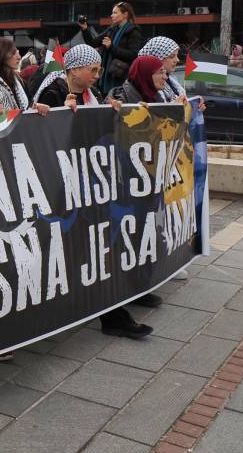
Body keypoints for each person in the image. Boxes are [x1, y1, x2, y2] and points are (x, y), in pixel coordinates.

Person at [32, 44, 155, 339]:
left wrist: (111, 115)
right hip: (61, 189)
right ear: (74, 69)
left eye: (99, 69)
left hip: (88, 188)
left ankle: (113, 313)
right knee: (66, 251)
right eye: (93, 69)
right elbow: (41, 133)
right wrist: (62, 114)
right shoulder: (53, 94)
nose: (98, 75)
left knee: (96, 249)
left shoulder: (94, 96)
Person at [81, 2, 144, 95]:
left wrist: (111, 47)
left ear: (125, 14)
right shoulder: (112, 29)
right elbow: (93, 43)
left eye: (115, 13)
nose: (111, 15)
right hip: (107, 75)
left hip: (121, 77)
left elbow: (133, 55)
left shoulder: (133, 31)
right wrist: (84, 29)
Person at [0, 36, 31, 110]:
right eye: (13, 53)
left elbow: (29, 105)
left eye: (17, 52)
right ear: (1, 54)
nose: (19, 57)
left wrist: (36, 107)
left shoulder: (20, 81)